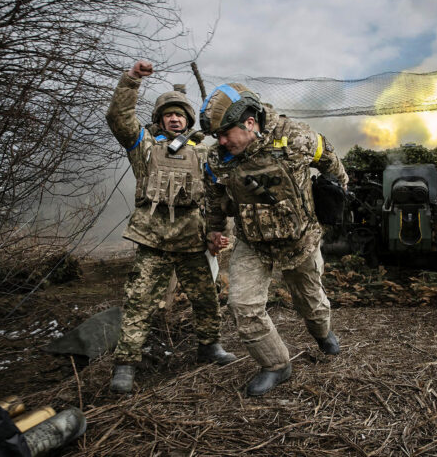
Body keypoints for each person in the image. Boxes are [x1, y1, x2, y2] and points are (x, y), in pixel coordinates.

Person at [200, 83, 349, 396]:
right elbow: (213, 199)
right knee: (242, 306)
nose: (221, 142)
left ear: (249, 123)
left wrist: (335, 196)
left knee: (312, 305)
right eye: (217, 136)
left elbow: (332, 165)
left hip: (300, 241)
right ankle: (276, 365)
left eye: (225, 133)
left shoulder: (296, 137)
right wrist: (215, 230)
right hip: (253, 243)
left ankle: (322, 333)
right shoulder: (218, 159)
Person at [105, 61, 236, 394]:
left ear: (188, 120)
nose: (175, 118)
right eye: (168, 114)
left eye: (180, 114)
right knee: (138, 302)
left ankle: (209, 346)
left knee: (207, 297)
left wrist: (217, 231)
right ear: (160, 119)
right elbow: (119, 118)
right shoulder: (144, 146)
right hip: (153, 239)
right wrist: (131, 80)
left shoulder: (203, 152)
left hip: (192, 238)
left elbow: (217, 194)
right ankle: (126, 364)